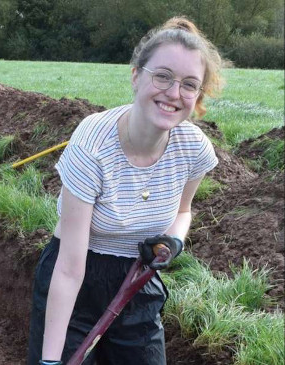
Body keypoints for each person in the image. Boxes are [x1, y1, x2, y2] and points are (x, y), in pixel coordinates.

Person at [28, 16, 222, 365]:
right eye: (162, 76)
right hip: (76, 280)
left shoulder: (194, 149)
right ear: (136, 76)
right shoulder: (92, 143)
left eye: (189, 84)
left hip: (137, 280)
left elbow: (183, 211)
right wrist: (51, 361)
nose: (174, 93)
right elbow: (70, 268)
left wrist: (173, 241)